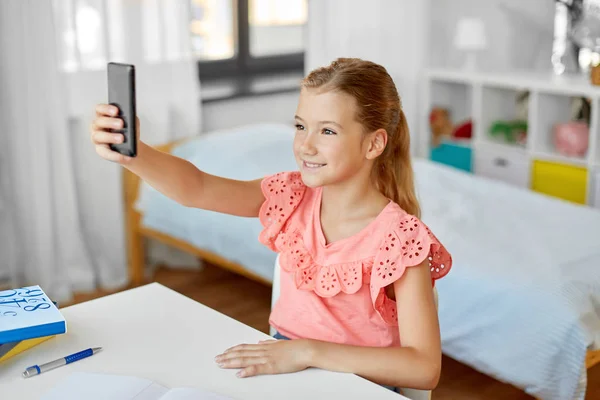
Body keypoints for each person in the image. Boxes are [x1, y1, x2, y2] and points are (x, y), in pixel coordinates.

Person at [90, 57, 452, 392]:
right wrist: (135, 153)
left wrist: (307, 352)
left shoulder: (400, 240)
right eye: (300, 126)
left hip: (356, 386)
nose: (305, 146)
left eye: (327, 131)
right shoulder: (291, 197)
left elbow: (423, 368)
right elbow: (196, 188)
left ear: (374, 144)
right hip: (285, 371)